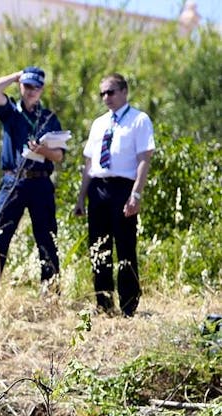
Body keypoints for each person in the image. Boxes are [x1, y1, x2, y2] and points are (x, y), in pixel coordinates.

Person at [74, 73, 155, 317]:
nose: (106, 97)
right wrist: (81, 197)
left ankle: (129, 305)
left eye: (110, 92)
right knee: (99, 247)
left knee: (125, 246)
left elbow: (144, 159)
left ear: (124, 91)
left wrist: (135, 194)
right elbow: (90, 163)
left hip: (123, 187)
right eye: (102, 93)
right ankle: (104, 303)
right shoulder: (99, 123)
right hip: (99, 188)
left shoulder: (138, 120)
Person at [0, 66, 66, 290]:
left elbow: (59, 155)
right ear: (20, 86)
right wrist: (16, 75)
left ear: (42, 90)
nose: (31, 91)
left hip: (41, 181)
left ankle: (50, 290)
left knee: (47, 238)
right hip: (14, 182)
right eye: (27, 86)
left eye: (36, 87)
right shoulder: (11, 112)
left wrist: (42, 150)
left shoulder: (48, 118)